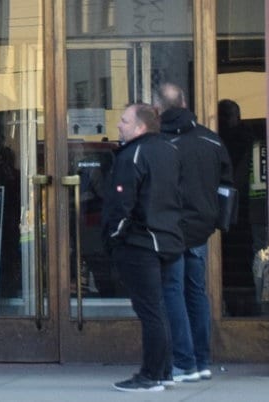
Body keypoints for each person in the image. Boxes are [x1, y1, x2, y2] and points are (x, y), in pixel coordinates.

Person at [156, 83, 233, 383]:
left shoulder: (158, 142)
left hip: (171, 228)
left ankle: (184, 362)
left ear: (158, 109)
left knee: (172, 292)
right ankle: (201, 360)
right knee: (196, 293)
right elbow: (227, 185)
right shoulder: (211, 140)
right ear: (185, 102)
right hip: (201, 229)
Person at [104, 103, 182, 392]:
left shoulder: (133, 153)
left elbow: (123, 202)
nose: (119, 125)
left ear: (140, 127)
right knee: (159, 309)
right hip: (167, 240)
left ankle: (151, 375)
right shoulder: (171, 150)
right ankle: (163, 371)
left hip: (141, 243)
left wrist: (114, 236)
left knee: (150, 310)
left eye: (124, 120)